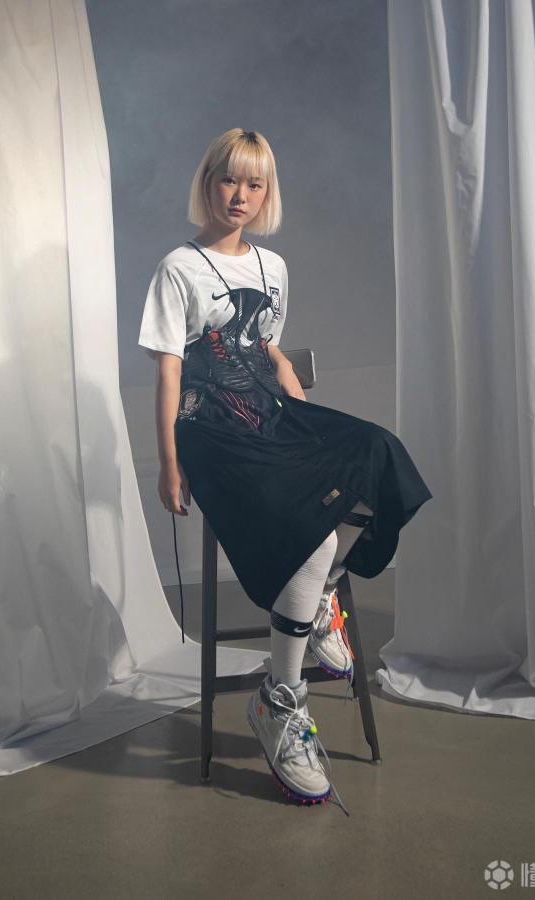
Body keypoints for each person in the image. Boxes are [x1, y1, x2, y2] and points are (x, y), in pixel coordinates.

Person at [138, 128, 432, 814]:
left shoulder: (273, 267)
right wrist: (168, 463)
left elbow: (269, 351)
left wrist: (301, 413)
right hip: (210, 430)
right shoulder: (178, 268)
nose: (239, 196)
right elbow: (169, 371)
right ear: (208, 183)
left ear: (267, 192)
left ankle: (320, 596)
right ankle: (282, 701)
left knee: (375, 451)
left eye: (255, 184)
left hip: (268, 413)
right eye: (228, 180)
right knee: (312, 524)